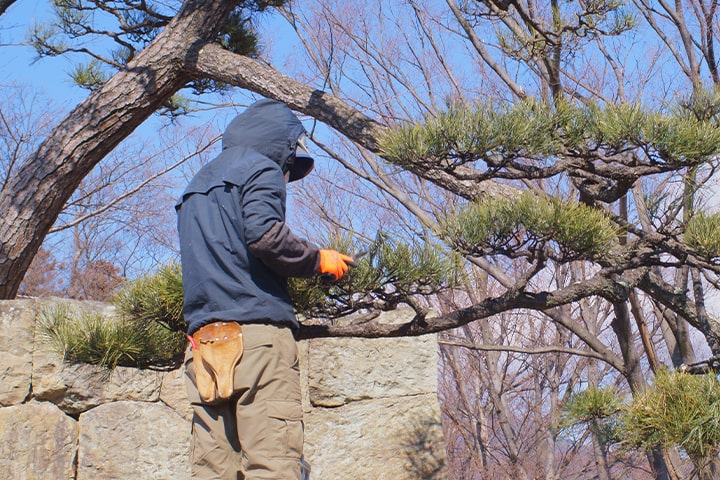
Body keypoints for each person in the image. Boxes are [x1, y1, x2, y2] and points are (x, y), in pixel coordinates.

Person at [175, 99, 355, 480]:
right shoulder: (261, 168)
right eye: (290, 165)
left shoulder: (195, 187)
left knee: (212, 470)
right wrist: (317, 260)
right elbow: (265, 237)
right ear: (282, 147)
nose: (287, 176)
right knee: (273, 465)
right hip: (257, 343)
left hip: (204, 345)